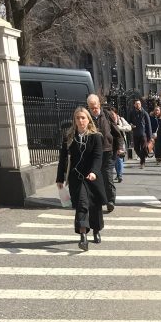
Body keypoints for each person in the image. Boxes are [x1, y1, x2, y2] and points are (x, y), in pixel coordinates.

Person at [56, 107, 107, 251]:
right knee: (81, 204)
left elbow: (98, 157)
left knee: (95, 205)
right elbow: (63, 159)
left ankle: (96, 230)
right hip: (76, 177)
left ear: (88, 119)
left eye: (83, 118)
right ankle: (83, 236)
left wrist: (94, 172)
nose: (80, 120)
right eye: (78, 118)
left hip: (92, 177)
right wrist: (60, 178)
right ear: (74, 120)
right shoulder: (69, 136)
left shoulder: (96, 136)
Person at [86, 94, 122, 211]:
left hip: (107, 151)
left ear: (99, 105)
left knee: (107, 176)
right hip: (93, 153)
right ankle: (98, 199)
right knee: (94, 176)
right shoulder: (86, 117)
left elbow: (117, 133)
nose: (94, 110)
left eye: (95, 107)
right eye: (91, 108)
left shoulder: (107, 115)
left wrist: (119, 147)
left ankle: (110, 200)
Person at [108, 105, 132, 182]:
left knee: (119, 159)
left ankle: (120, 175)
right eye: (110, 114)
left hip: (120, 141)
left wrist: (119, 127)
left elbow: (129, 127)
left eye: (113, 114)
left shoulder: (121, 119)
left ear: (116, 114)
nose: (112, 116)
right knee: (114, 159)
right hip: (111, 142)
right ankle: (118, 174)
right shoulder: (108, 120)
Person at [129, 98, 152, 168]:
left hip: (143, 134)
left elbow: (149, 124)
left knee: (143, 148)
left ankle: (142, 162)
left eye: (139, 104)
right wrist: (131, 125)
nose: (138, 105)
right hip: (135, 133)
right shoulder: (132, 112)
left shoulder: (144, 113)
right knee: (136, 148)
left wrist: (150, 136)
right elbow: (129, 121)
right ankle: (143, 157)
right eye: (136, 104)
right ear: (134, 105)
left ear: (141, 104)